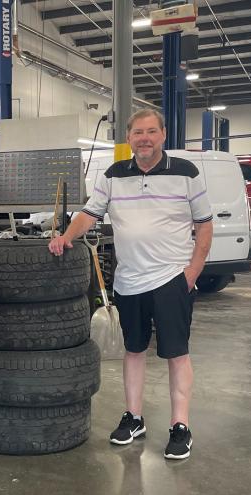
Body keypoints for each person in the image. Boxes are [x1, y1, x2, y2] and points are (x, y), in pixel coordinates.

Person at [48, 109, 213, 459]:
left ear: (163, 134)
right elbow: (90, 213)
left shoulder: (187, 173)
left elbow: (205, 223)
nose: (144, 138)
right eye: (138, 132)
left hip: (172, 278)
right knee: (133, 350)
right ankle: (134, 417)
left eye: (151, 131)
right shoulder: (113, 174)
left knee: (176, 353)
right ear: (128, 138)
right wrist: (66, 237)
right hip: (129, 281)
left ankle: (180, 426)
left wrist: (194, 270)